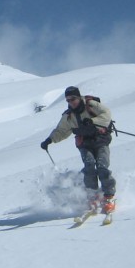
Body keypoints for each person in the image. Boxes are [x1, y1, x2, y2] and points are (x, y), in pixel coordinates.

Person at [40, 86, 116, 214]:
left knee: (102, 166)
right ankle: (93, 196)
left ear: (79, 97)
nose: (71, 102)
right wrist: (49, 140)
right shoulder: (68, 116)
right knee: (89, 166)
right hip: (84, 144)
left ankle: (108, 196)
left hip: (100, 140)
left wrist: (92, 121)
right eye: (68, 100)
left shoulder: (91, 104)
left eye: (73, 99)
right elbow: (61, 131)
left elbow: (106, 114)